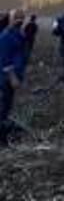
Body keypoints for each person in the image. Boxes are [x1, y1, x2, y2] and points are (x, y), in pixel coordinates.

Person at [1, 10, 28, 146]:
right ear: (10, 19)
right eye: (16, 18)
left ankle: (4, 139)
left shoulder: (19, 35)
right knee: (3, 109)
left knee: (6, 108)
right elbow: (5, 61)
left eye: (22, 18)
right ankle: (2, 141)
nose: (20, 20)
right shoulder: (6, 36)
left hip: (14, 78)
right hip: (5, 79)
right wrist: (12, 78)